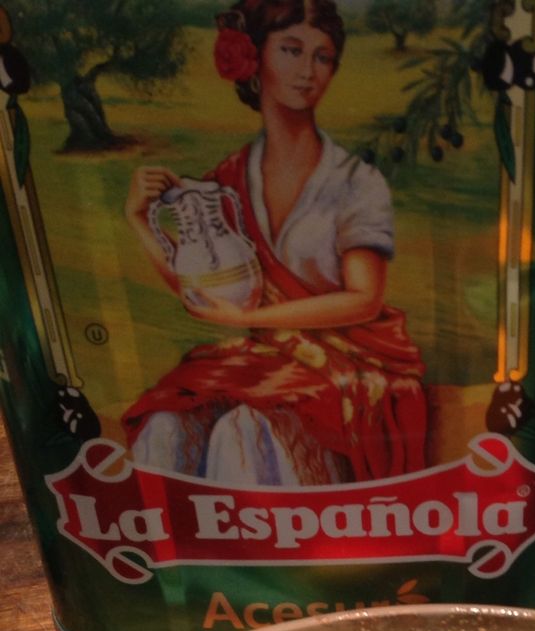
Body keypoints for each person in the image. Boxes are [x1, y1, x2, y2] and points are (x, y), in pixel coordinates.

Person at [122, 0, 428, 486]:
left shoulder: (355, 181)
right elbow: (200, 291)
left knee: (245, 434)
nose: (308, 71)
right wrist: (139, 220)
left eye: (323, 57)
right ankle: (176, 558)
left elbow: (363, 299)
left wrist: (248, 320)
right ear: (254, 57)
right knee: (165, 426)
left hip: (350, 361)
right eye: (291, 50)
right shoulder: (227, 179)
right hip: (265, 359)